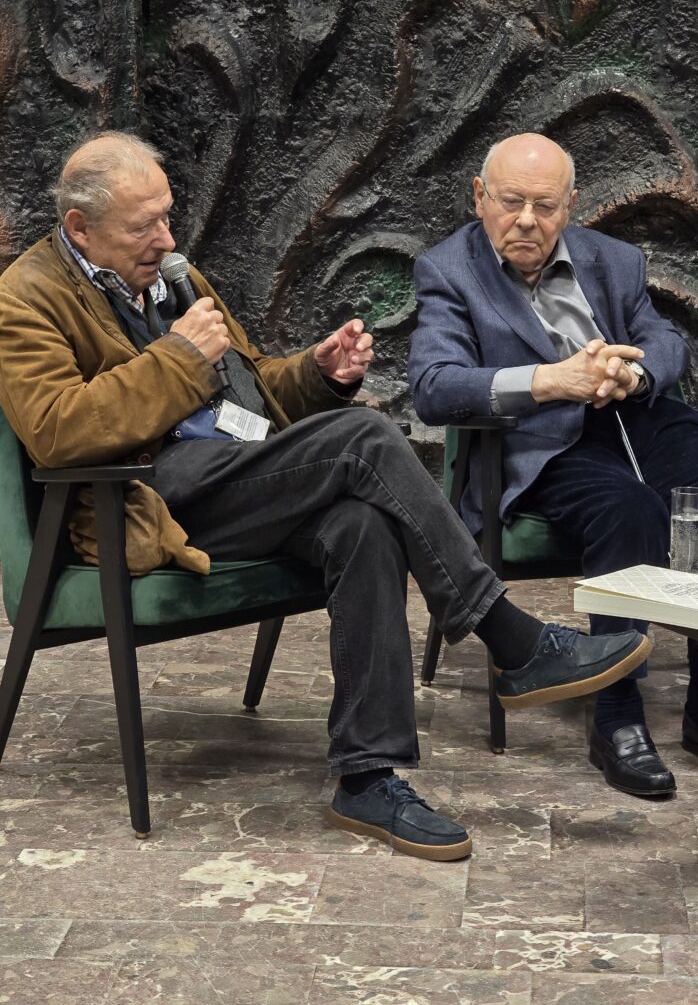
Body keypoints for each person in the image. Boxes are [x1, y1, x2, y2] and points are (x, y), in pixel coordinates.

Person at [0, 132, 648, 861]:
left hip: (233, 477)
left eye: (167, 217)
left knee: (359, 523)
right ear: (82, 227)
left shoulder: (171, 275)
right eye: (144, 226)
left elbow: (247, 391)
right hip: (145, 496)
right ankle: (511, 637)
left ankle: (367, 778)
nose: (168, 239)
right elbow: (59, 431)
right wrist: (178, 357)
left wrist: (317, 373)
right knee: (364, 436)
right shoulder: (26, 297)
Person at [409, 132, 698, 799]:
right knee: (629, 511)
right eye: (511, 202)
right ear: (480, 197)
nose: (527, 221)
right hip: (541, 441)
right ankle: (616, 714)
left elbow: (664, 340)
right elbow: (434, 385)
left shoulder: (614, 260)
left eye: (545, 206)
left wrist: (633, 373)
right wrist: (552, 380)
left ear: (569, 206)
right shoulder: (448, 270)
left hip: (634, 418)